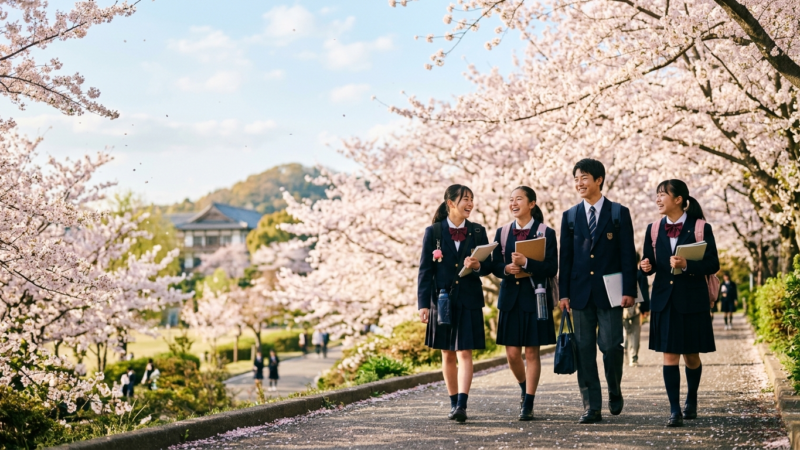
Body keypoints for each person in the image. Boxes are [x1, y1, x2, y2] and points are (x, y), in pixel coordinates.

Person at [558, 158, 637, 424]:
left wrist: (629, 290)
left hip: (611, 292)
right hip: (579, 293)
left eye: (584, 178)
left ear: (599, 180)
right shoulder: (569, 216)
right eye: (576, 179)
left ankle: (614, 388)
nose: (579, 183)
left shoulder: (618, 213)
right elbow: (565, 258)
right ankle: (591, 406)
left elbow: (628, 254)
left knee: (612, 346)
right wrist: (563, 294)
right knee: (583, 349)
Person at [640, 179, 718, 427]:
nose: (658, 199)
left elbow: (712, 264)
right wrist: (645, 266)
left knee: (691, 356)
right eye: (657, 194)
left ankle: (691, 399)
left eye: (663, 194)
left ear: (678, 199)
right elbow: (649, 262)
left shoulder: (700, 228)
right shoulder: (653, 229)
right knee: (669, 356)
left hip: (692, 300)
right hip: (664, 300)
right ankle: (675, 410)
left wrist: (687, 265)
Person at [417, 184, 493, 423]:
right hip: (441, 300)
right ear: (450, 203)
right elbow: (425, 270)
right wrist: (423, 305)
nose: (469, 204)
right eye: (465, 199)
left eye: (472, 199)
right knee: (447, 353)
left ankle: (462, 404)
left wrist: (478, 265)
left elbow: (489, 266)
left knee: (465, 352)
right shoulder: (434, 232)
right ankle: (452, 402)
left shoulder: (478, 231)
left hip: (469, 298)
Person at [491, 186, 557, 421]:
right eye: (511, 199)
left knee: (532, 352)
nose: (513, 203)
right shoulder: (503, 232)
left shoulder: (545, 232)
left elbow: (551, 267)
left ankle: (528, 402)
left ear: (532, 204)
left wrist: (527, 262)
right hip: (510, 299)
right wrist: (506, 269)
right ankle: (523, 387)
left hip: (535, 298)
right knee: (511, 354)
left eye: (519, 199)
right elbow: (494, 265)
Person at [623, 255, 652, 367]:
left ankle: (624, 349)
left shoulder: (622, 273)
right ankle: (633, 357)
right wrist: (645, 308)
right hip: (636, 307)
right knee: (635, 332)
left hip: (621, 307)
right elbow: (644, 292)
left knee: (625, 331)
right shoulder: (640, 274)